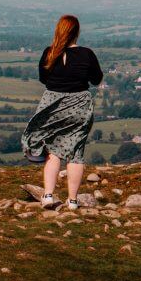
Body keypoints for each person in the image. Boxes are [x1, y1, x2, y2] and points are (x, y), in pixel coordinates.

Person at [20, 14, 103, 210]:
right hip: (80, 105)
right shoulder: (87, 54)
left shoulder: (50, 53)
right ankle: (73, 201)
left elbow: (44, 79)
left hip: (52, 105)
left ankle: (48, 195)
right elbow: (96, 79)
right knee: (76, 152)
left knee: (52, 149)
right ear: (77, 33)